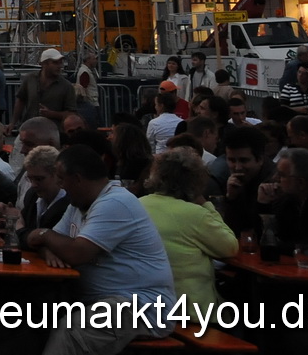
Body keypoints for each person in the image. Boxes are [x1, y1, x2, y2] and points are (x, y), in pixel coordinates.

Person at [25, 144, 177, 355]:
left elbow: (76, 253)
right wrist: (48, 244)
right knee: (31, 317)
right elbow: (53, 241)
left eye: (61, 178)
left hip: (140, 306)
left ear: (77, 179)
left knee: (73, 330)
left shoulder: (115, 202)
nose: (59, 184)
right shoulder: (79, 204)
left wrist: (43, 235)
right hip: (101, 300)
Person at [139, 147, 235, 311]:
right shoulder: (195, 214)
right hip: (192, 310)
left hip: (148, 306)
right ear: (196, 181)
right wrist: (205, 204)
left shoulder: (138, 204)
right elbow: (230, 247)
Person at [12, 47, 76, 127]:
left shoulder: (66, 86)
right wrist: (13, 123)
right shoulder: (30, 79)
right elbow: (20, 100)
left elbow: (71, 114)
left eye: (60, 63)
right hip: (29, 129)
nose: (60, 66)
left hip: (53, 131)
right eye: (55, 63)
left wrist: (52, 114)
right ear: (44, 64)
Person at [18, 145, 70, 233]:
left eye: (39, 179)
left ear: (57, 175)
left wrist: (20, 229)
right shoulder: (32, 196)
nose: (33, 185)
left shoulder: (68, 205)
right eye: (30, 179)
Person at [145, 86, 183, 154]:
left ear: (161, 106)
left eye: (156, 104)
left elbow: (150, 144)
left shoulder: (153, 123)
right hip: (178, 155)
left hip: (160, 156)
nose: (155, 107)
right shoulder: (181, 122)